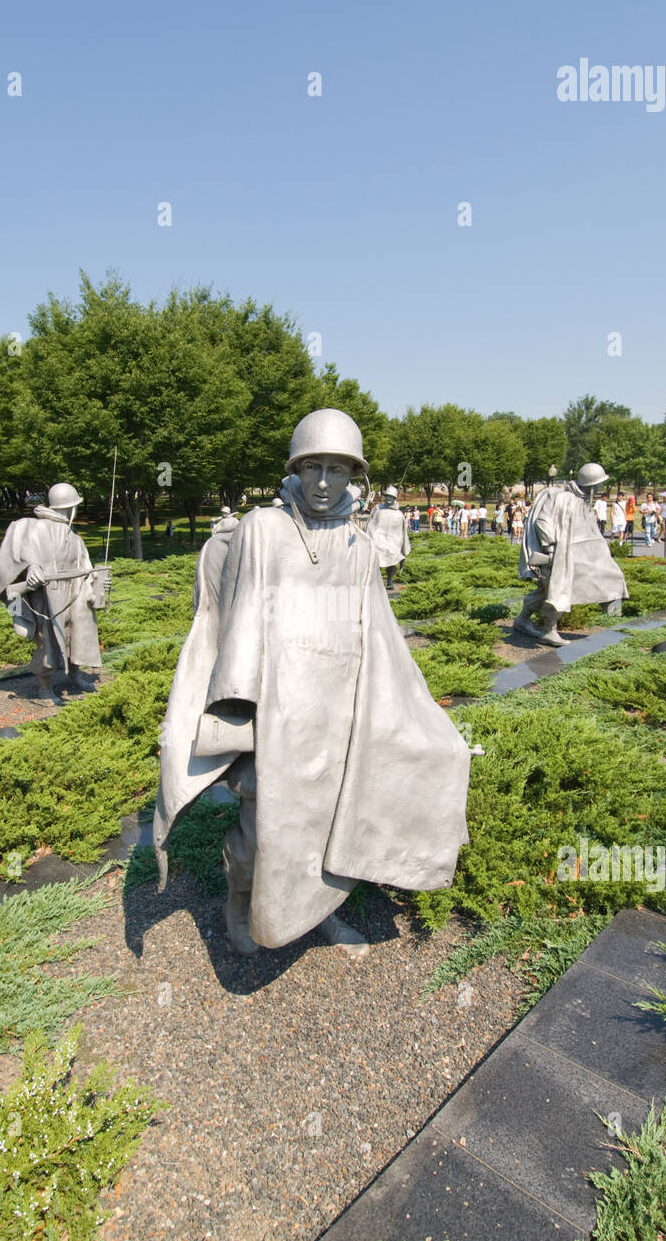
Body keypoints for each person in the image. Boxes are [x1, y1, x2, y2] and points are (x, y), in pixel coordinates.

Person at [153, 409, 472, 960]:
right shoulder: (264, 530)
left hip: (339, 711)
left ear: (355, 477)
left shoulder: (360, 544)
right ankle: (241, 904)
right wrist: (238, 716)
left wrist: (418, 717)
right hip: (274, 713)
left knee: (331, 825)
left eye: (338, 470)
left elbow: (380, 636)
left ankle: (317, 915)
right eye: (313, 468)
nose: (324, 482)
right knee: (264, 829)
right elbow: (238, 622)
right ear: (296, 470)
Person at [0, 482, 111, 704]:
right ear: (72, 507)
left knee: (77, 633)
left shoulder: (73, 535)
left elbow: (85, 565)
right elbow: (22, 553)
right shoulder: (32, 527)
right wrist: (33, 567)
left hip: (75, 592)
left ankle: (75, 675)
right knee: (47, 640)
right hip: (46, 594)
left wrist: (98, 580)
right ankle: (45, 688)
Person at [513, 463, 628, 647]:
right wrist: (550, 549)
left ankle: (522, 620)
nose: (600, 488)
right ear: (590, 484)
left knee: (545, 590)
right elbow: (543, 521)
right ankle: (549, 631)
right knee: (557, 589)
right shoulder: (563, 498)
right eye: (598, 484)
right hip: (555, 555)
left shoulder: (579, 500)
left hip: (568, 555)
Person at [367, 484, 411, 590]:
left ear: (394, 498)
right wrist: (370, 537)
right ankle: (374, 580)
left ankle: (390, 581)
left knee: (392, 562)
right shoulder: (378, 509)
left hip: (393, 542)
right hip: (378, 541)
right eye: (386, 496)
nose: (388, 498)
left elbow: (402, 531)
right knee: (375, 561)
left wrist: (403, 547)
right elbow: (370, 524)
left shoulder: (399, 514)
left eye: (390, 496)